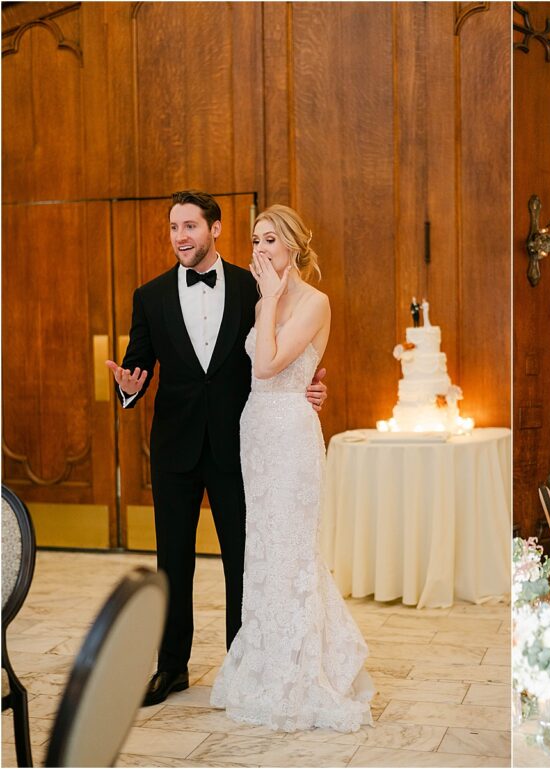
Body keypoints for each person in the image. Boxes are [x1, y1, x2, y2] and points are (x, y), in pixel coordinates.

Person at [106, 191, 326, 707]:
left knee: (242, 559)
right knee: (172, 559)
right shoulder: (150, 296)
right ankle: (171, 667)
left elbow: (287, 348)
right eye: (174, 228)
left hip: (240, 444)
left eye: (190, 226)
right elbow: (137, 365)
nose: (181, 236)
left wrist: (315, 384)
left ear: (215, 229)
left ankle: (242, 660)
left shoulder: (257, 284)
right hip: (175, 447)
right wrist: (129, 387)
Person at [210, 204, 373, 732]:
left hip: (293, 437)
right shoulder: (262, 298)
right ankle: (261, 662)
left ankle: (305, 669)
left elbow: (268, 363)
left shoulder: (314, 301)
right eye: (255, 241)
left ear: (295, 247)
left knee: (292, 550)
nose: (259, 251)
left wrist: (274, 299)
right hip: (256, 431)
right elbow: (251, 379)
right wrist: (267, 300)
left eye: (270, 242)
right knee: (261, 547)